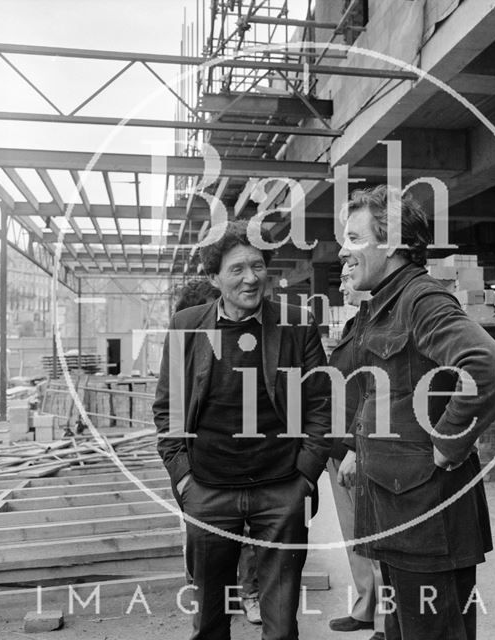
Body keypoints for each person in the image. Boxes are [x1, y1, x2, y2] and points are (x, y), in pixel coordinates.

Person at [336, 185, 495, 640]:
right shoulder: (383, 304)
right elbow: (387, 391)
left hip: (427, 517)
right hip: (397, 512)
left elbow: (493, 369)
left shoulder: (420, 300)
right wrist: (360, 446)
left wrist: (446, 443)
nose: (344, 249)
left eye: (356, 238)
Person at [153, 220, 331, 640]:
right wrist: (183, 479)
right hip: (208, 490)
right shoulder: (187, 326)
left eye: (257, 265)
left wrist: (305, 474)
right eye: (237, 269)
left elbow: (322, 403)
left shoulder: (296, 323)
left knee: (282, 621)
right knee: (210, 618)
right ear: (214, 277)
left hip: (281, 488)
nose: (251, 278)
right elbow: (167, 408)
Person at [174, 278, 262, 625]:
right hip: (202, 464)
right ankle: (203, 587)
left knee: (249, 534)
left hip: (249, 458)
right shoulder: (187, 341)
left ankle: (250, 593)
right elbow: (171, 410)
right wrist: (182, 475)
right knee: (201, 534)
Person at [327, 264, 384, 640]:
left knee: (376, 536)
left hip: (359, 447)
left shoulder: (381, 324)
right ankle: (366, 608)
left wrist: (352, 446)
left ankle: (386, 622)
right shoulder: (353, 325)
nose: (344, 283)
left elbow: (377, 390)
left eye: (349, 275)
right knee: (353, 534)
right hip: (339, 447)